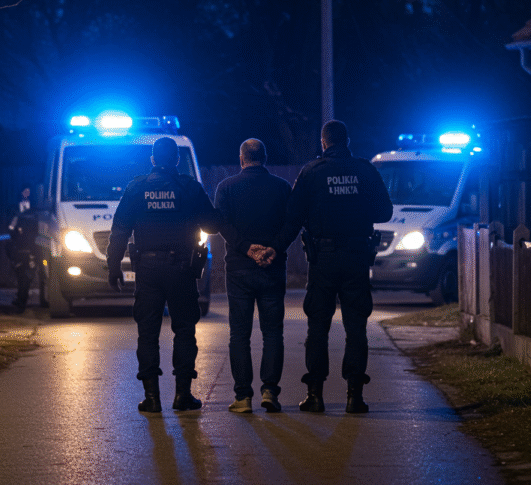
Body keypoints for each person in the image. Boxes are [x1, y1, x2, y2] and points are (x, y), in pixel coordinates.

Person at [253, 120, 393, 414]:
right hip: (356, 257)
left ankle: (314, 394)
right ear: (347, 141)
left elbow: (293, 218)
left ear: (323, 142)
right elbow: (385, 211)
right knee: (356, 327)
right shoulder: (365, 170)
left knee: (318, 327)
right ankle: (355, 396)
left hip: (323, 260)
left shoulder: (312, 172)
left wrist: (274, 248)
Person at [106, 137, 222, 413]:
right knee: (184, 330)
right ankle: (183, 395)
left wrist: (113, 267)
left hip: (147, 270)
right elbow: (213, 225)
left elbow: (120, 230)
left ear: (153, 160)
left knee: (147, 333)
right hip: (181, 269)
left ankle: (152, 398)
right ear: (177, 160)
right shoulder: (189, 188)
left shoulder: (136, 188)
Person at [214, 139, 292, 414]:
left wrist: (246, 248)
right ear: (265, 158)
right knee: (272, 333)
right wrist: (274, 248)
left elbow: (221, 223)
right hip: (272, 267)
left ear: (242, 158)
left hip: (238, 269)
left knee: (239, 334)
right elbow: (292, 223)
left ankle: (243, 397)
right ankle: (270, 391)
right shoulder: (282, 187)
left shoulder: (226, 187)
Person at [6, 183, 40, 312]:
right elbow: (10, 226)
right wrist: (16, 231)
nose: (26, 193)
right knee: (21, 275)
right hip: (19, 246)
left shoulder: (35, 209)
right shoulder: (14, 208)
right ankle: (21, 299)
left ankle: (22, 300)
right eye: (24, 191)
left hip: (33, 246)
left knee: (28, 275)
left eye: (28, 191)